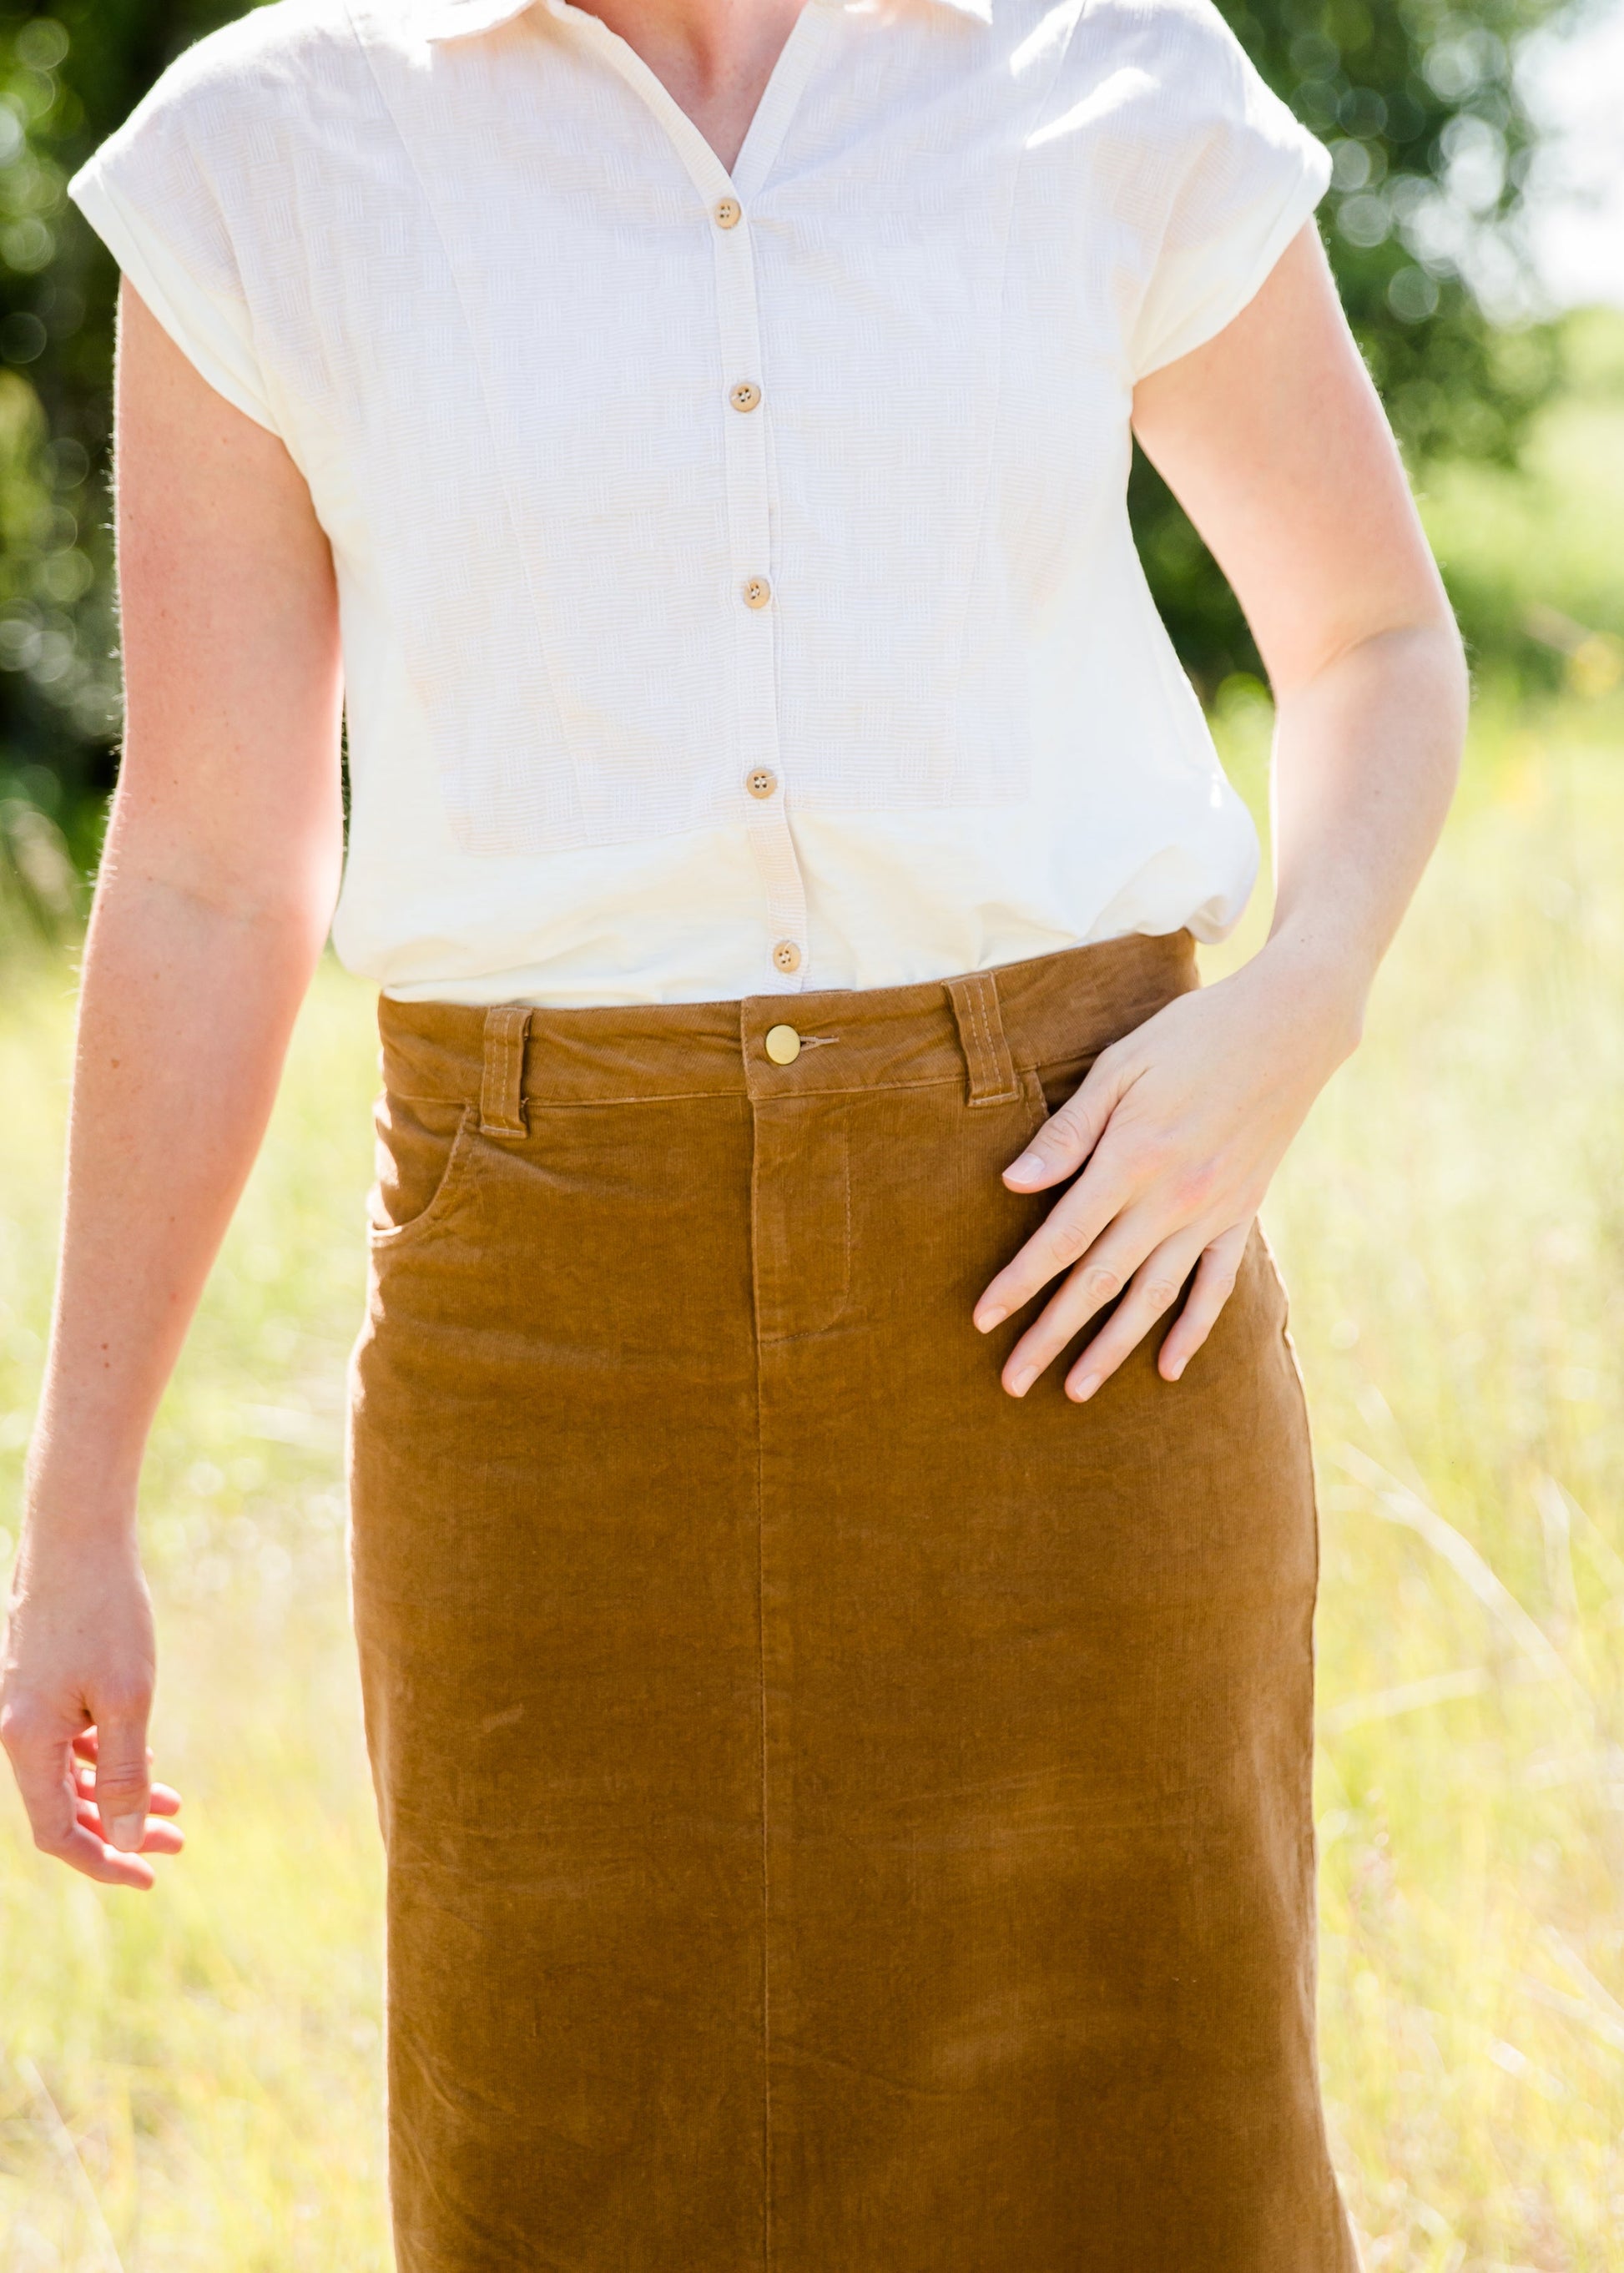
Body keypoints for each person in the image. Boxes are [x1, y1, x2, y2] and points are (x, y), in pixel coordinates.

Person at [0, 0, 1465, 2263]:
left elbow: (1370, 631)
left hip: (1073, 1290)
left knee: (1151, 2161)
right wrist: (75, 1506)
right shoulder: (269, 150)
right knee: (571, 2167)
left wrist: (1301, 994)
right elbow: (205, 874)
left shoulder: (1095, 68)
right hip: (540, 1333)